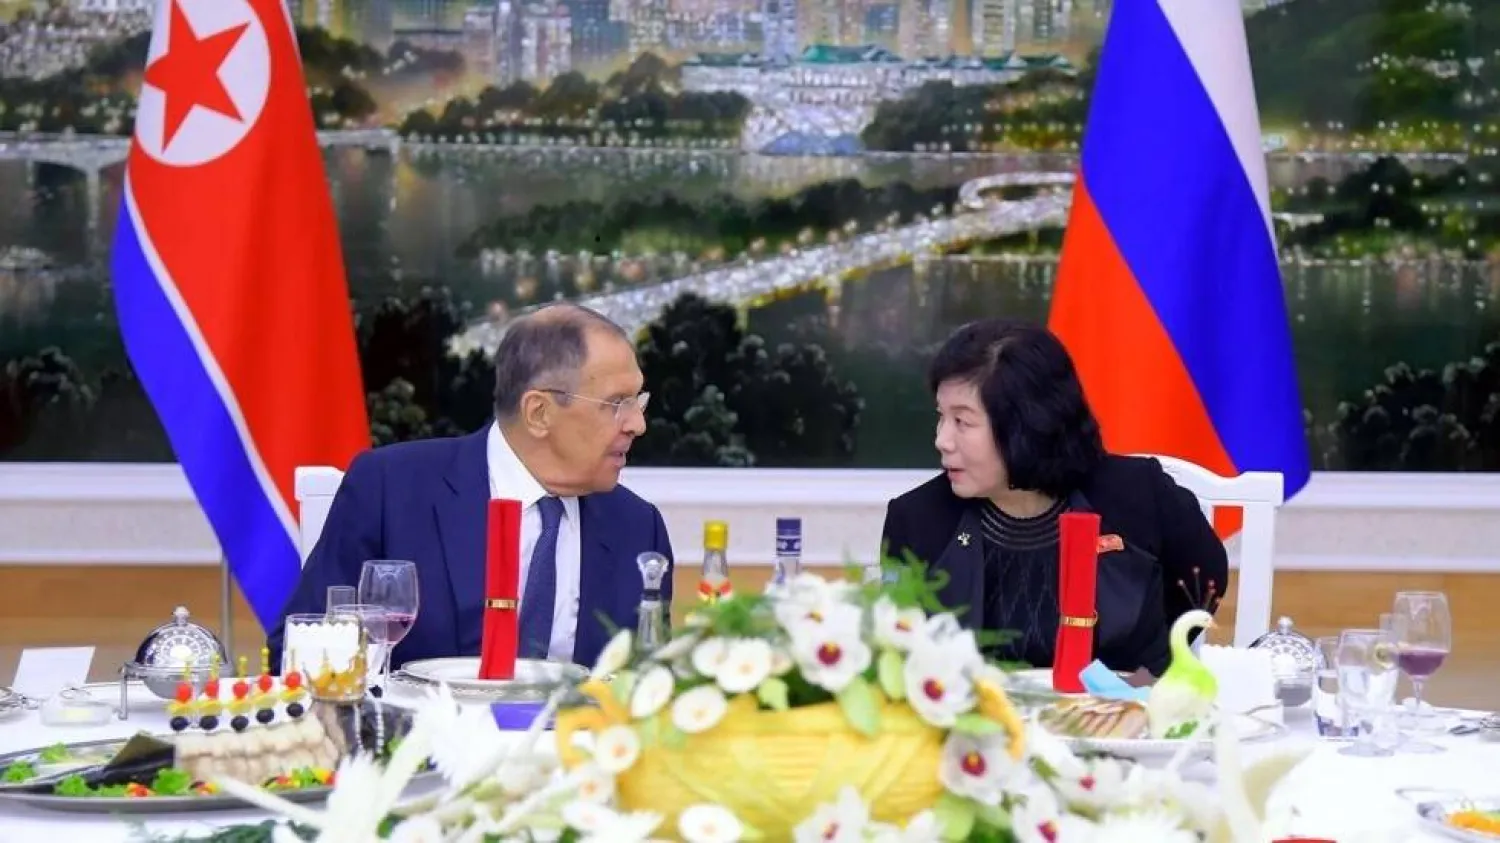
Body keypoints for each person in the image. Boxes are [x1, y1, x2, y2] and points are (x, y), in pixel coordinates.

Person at [267, 303, 674, 672]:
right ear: (539, 412)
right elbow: (300, 651)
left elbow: (649, 687)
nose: (637, 424)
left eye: (639, 401)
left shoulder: (638, 528)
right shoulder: (391, 491)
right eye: (617, 403)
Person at [880, 319, 1226, 676]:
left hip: (1119, 718)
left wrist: (1148, 660)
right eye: (942, 417)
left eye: (962, 422)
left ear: (1026, 425)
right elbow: (901, 649)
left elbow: (1202, 582)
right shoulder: (916, 519)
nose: (942, 440)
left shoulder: (1138, 493)